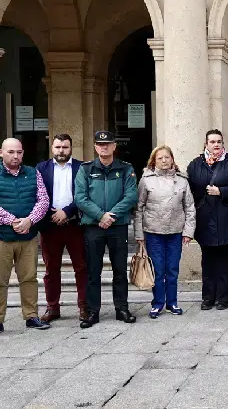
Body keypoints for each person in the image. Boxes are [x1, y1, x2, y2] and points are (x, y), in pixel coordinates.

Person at [0, 138, 51, 337]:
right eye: (10, 152)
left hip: (28, 237)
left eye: (18, 152)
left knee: (29, 278)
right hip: (0, 238)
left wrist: (30, 220)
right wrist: (13, 221)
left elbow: (43, 200)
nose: (15, 156)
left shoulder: (33, 173)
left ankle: (31, 316)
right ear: (1, 152)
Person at [75, 130, 139, 328]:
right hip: (93, 227)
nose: (104, 147)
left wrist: (110, 216)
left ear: (114, 147)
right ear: (95, 147)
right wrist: (100, 215)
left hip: (117, 226)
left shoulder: (126, 169)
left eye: (108, 144)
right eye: (100, 144)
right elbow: (80, 197)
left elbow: (131, 196)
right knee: (93, 272)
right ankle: (93, 311)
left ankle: (122, 308)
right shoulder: (85, 170)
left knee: (120, 270)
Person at [135, 145, 196, 319]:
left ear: (172, 159)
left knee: (173, 269)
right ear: (154, 160)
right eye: (160, 158)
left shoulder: (182, 180)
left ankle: (172, 302)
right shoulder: (146, 180)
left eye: (167, 157)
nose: (164, 161)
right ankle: (157, 303)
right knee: (158, 270)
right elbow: (138, 209)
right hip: (153, 232)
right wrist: (139, 235)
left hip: (175, 232)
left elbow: (190, 208)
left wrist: (188, 232)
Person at [187, 129, 228, 311]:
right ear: (206, 144)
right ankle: (208, 297)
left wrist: (222, 191)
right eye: (212, 141)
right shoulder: (195, 164)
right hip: (205, 219)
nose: (216, 144)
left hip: (227, 218)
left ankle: (224, 297)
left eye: (219, 141)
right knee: (208, 260)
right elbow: (189, 192)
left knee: (224, 260)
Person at [35, 134, 86, 323]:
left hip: (76, 225)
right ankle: (52, 308)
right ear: (52, 148)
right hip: (50, 226)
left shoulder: (82, 167)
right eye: (58, 147)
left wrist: (66, 212)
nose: (61, 151)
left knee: (81, 267)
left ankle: (83, 306)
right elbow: (37, 195)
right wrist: (53, 214)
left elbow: (84, 195)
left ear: (71, 148)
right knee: (51, 269)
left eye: (65, 147)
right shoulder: (41, 168)